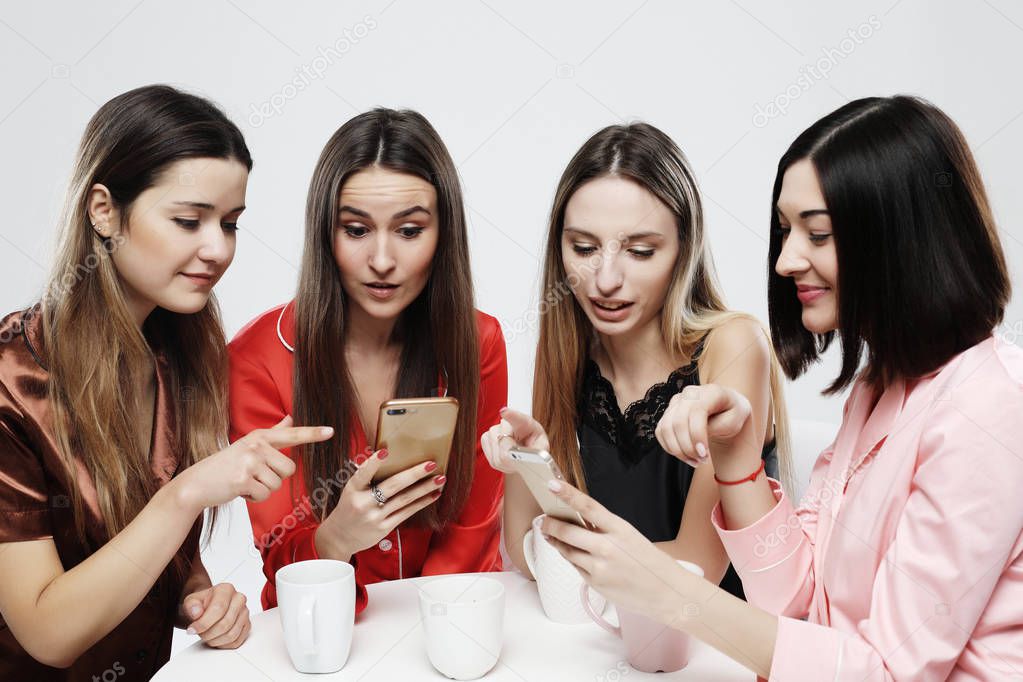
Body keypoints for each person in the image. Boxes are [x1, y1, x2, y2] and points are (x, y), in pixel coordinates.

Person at [538, 96, 1023, 680]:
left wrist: (673, 594)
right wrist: (738, 454)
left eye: (817, 235)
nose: (786, 260)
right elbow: (797, 606)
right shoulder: (877, 389)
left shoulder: (990, 409)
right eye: (786, 231)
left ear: (902, 239)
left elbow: (888, 674)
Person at [0, 85, 332, 680]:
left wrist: (196, 597)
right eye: (188, 220)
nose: (217, 249)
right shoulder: (11, 381)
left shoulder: (180, 354)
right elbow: (47, 634)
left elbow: (157, 554)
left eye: (230, 223)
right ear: (103, 210)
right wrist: (185, 494)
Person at [483, 122, 791, 598]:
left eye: (640, 251)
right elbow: (525, 552)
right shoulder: (569, 352)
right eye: (583, 248)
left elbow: (697, 565)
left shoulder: (734, 344)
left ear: (683, 251)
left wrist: (562, 556)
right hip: (609, 645)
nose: (605, 279)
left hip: (714, 658)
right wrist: (534, 463)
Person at [229, 108, 507, 614]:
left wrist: (434, 637)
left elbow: (473, 524)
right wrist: (335, 539)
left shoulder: (478, 340)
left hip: (449, 626)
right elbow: (280, 557)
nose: (382, 260)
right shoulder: (255, 359)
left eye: (408, 231)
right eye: (356, 230)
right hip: (330, 633)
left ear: (443, 234)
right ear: (325, 235)